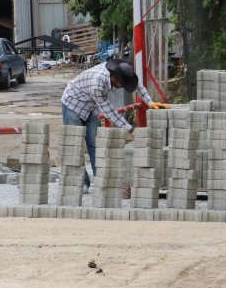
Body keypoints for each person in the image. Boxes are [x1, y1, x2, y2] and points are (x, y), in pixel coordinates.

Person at [60, 59, 170, 192]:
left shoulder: (120, 70)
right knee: (75, 146)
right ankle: (82, 182)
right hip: (73, 104)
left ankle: (101, 180)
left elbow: (136, 85)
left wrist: (150, 102)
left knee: (95, 144)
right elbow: (108, 112)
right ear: (114, 79)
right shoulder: (98, 83)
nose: (123, 88)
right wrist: (130, 129)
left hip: (90, 107)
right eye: (122, 85)